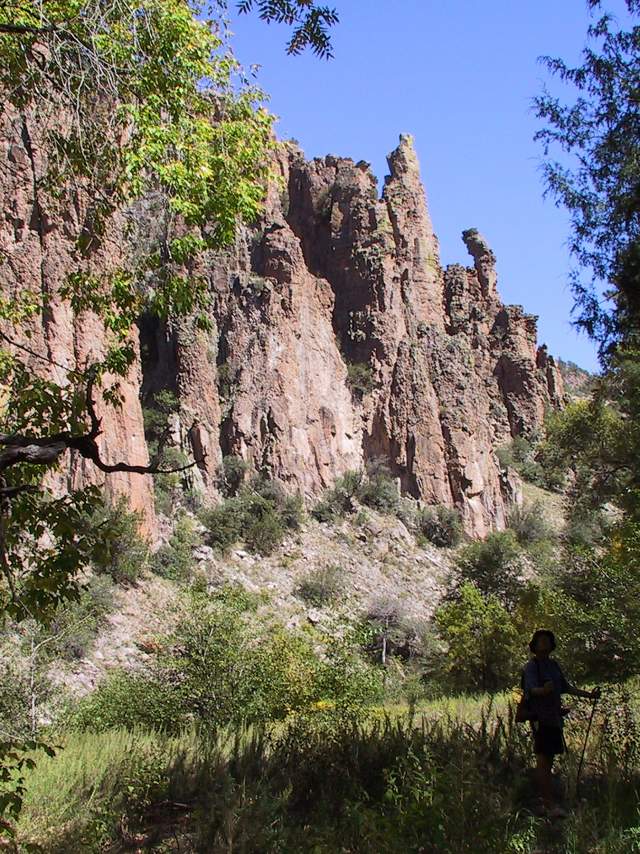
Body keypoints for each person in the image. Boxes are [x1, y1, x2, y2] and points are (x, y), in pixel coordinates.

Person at [523, 629, 600, 818]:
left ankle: (545, 802)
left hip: (554, 718)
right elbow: (530, 690)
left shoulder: (553, 665)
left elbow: (565, 687)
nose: (545, 643)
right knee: (543, 760)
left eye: (548, 640)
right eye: (541, 640)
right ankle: (548, 806)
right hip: (540, 719)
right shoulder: (532, 666)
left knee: (549, 760)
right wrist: (543, 690)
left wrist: (589, 695)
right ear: (534, 645)